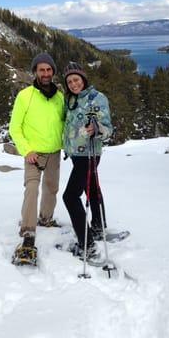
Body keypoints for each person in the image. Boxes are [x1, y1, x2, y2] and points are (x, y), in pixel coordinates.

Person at [9, 52, 64, 264]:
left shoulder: (59, 97)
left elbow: (63, 124)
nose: (46, 73)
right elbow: (15, 128)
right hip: (33, 153)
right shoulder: (25, 96)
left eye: (49, 70)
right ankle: (28, 232)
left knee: (51, 187)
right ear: (35, 72)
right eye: (41, 70)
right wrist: (27, 150)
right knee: (32, 188)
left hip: (54, 151)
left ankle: (46, 219)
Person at [62, 62, 113, 259]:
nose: (73, 84)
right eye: (69, 82)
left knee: (70, 197)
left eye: (76, 80)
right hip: (76, 154)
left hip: (89, 154)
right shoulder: (70, 100)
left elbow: (108, 128)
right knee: (91, 188)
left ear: (83, 79)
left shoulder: (97, 98)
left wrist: (97, 128)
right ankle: (98, 227)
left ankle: (87, 244)